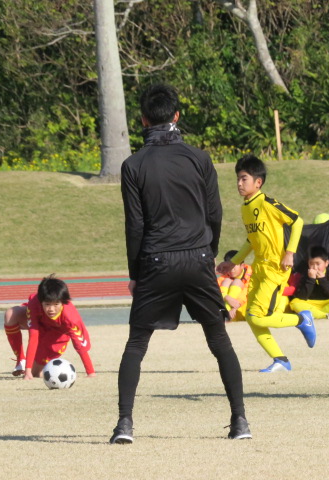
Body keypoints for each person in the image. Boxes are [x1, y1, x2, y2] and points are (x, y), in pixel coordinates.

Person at [112, 84, 249, 444]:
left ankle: (124, 424)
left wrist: (135, 273)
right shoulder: (199, 159)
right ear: (176, 116)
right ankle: (240, 421)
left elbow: (135, 225)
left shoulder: (133, 165)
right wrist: (209, 251)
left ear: (143, 120)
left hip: (156, 260)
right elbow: (215, 212)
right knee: (219, 339)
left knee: (137, 343)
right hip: (198, 256)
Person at [217, 154, 315, 374]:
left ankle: (301, 319)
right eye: (238, 179)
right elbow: (252, 240)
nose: (239, 183)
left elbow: (297, 221)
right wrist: (233, 262)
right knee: (251, 317)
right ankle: (280, 359)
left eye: (244, 178)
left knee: (258, 316)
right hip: (259, 267)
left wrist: (290, 253)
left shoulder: (267, 203)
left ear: (258, 182)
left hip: (275, 268)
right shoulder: (245, 208)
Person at [4, 275, 95, 379]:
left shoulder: (70, 318)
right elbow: (33, 336)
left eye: (56, 304)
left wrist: (91, 372)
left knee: (36, 373)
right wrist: (27, 371)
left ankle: (44, 369)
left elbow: (80, 346)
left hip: (57, 335)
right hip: (40, 325)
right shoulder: (34, 304)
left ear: (63, 302)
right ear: (41, 301)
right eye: (47, 304)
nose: (51, 309)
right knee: (10, 314)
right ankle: (21, 360)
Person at [288, 245, 329, 319]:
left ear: (326, 263)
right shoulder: (305, 274)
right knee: (294, 302)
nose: (314, 267)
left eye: (318, 264)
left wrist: (322, 280)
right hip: (311, 303)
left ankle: (316, 314)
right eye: (311, 264)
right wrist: (311, 279)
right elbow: (302, 296)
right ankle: (326, 316)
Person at [217, 250, 252, 322]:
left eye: (234, 266)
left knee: (237, 282)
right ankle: (226, 313)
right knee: (226, 281)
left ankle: (226, 315)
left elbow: (245, 294)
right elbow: (214, 290)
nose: (231, 270)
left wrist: (235, 307)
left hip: (244, 307)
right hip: (230, 308)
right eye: (229, 267)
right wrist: (226, 297)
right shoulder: (224, 275)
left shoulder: (252, 275)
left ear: (242, 266)